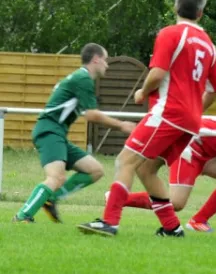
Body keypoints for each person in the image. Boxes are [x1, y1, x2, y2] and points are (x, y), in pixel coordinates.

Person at [78, 0, 216, 237]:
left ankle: (110, 222)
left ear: (175, 6)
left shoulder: (170, 34)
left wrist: (143, 92)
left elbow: (157, 74)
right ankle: (172, 228)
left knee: (125, 160)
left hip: (168, 113)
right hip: (190, 121)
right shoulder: (209, 45)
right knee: (146, 169)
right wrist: (193, 109)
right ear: (201, 12)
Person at [12, 43, 137, 223]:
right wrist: (121, 125)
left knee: (95, 170)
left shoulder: (80, 78)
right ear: (96, 59)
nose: (107, 65)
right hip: (49, 130)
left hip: (57, 133)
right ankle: (23, 216)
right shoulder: (83, 79)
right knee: (56, 177)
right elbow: (92, 115)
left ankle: (51, 199)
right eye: (105, 60)